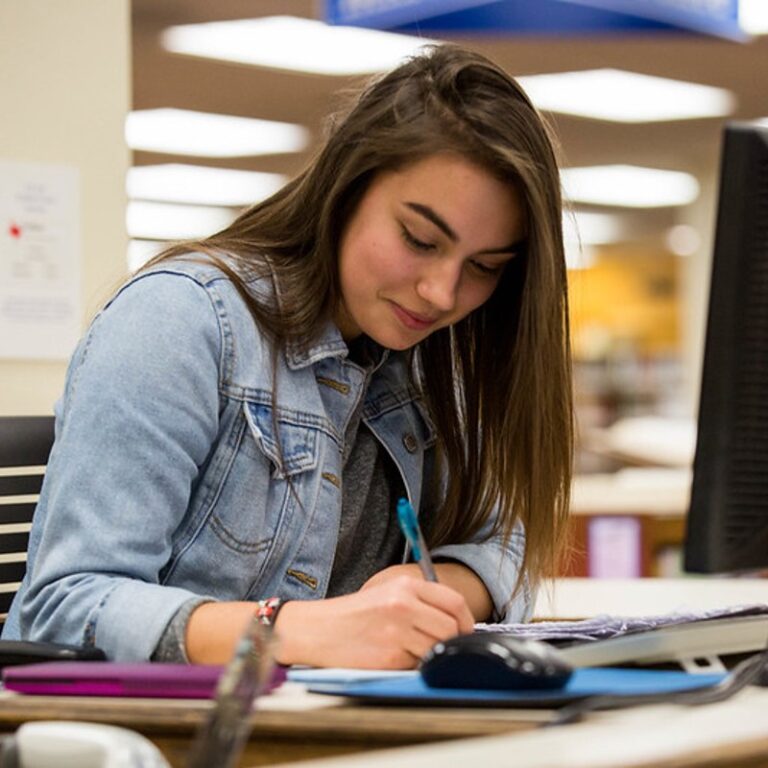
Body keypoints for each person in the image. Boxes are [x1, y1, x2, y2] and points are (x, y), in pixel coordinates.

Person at [3, 43, 573, 669]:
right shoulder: (180, 322)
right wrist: (295, 631)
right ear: (347, 186)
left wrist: (430, 593)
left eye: (484, 268)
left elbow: (508, 541)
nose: (441, 293)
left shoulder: (434, 352)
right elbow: (62, 609)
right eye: (419, 238)